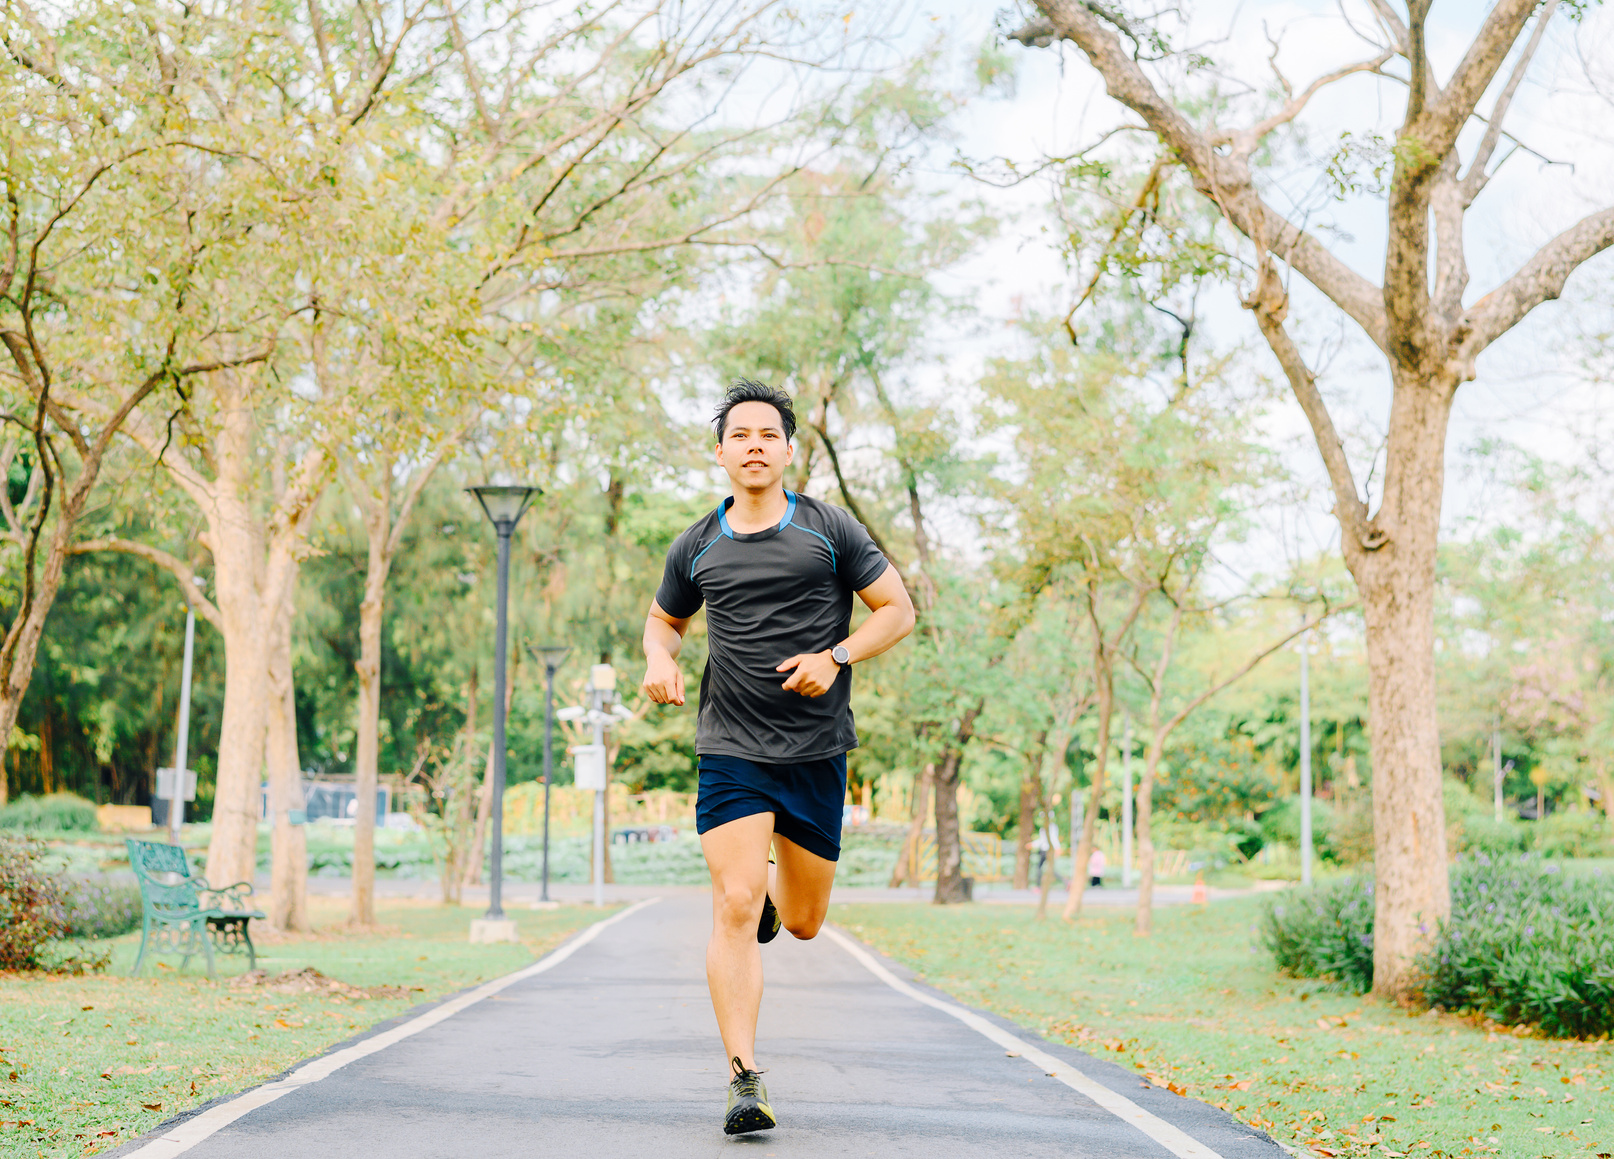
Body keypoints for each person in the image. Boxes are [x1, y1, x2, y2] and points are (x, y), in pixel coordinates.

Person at [641, 379, 916, 1136]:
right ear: (721, 452)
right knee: (732, 902)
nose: (755, 444)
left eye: (769, 433)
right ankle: (743, 1077)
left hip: (815, 750)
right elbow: (662, 622)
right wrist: (657, 658)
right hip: (730, 746)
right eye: (741, 434)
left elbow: (898, 609)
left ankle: (772, 900)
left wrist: (837, 653)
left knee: (800, 921)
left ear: (789, 450)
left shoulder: (830, 530)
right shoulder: (697, 543)